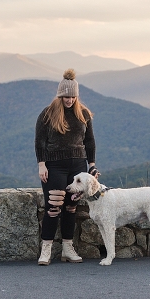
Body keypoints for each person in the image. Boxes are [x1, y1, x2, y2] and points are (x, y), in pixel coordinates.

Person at [35, 68, 99, 265]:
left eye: (73, 97)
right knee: (54, 206)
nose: (69, 100)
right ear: (60, 95)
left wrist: (92, 165)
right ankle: (46, 249)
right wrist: (41, 164)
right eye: (66, 97)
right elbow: (40, 141)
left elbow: (89, 141)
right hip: (54, 166)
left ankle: (67, 248)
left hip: (78, 165)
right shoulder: (47, 114)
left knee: (71, 207)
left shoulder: (84, 114)